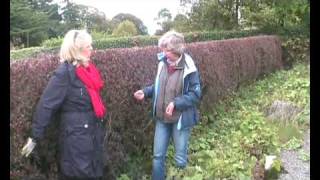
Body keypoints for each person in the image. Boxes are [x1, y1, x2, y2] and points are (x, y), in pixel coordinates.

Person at [21, 29, 107, 180]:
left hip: (91, 135)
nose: (92, 49)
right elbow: (47, 104)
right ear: (77, 49)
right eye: (88, 46)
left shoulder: (88, 71)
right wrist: (34, 137)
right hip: (75, 140)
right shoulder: (65, 73)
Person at [133, 30, 202, 180]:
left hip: (180, 120)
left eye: (167, 49)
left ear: (177, 50)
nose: (163, 53)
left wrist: (176, 103)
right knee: (157, 157)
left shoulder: (189, 68)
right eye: (162, 49)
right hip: (162, 118)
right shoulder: (162, 63)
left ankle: (180, 176)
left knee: (180, 159)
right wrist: (145, 92)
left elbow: (195, 94)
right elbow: (159, 86)